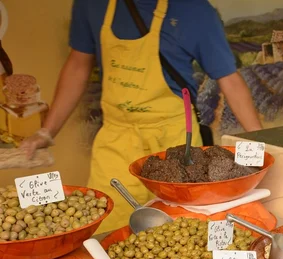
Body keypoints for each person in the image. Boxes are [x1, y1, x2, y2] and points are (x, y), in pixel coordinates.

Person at [20, 0, 262, 232]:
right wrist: (47, 132)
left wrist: (262, 145)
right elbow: (78, 65)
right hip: (116, 144)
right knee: (108, 228)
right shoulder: (93, 4)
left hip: (176, 144)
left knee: (183, 230)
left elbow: (229, 80)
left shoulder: (193, 9)